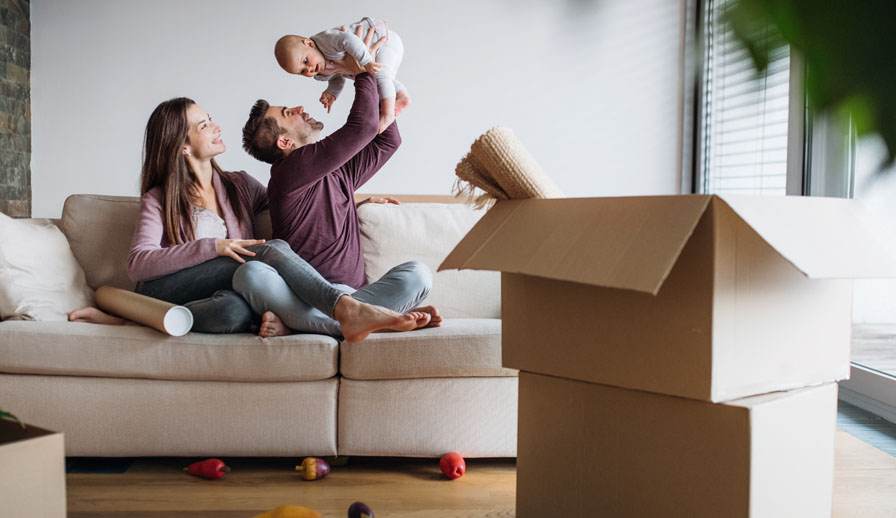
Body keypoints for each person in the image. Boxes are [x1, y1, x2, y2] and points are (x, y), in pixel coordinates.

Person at [69, 96, 431, 342]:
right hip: (166, 289)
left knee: (234, 310)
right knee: (267, 252)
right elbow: (137, 265)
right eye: (203, 125)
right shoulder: (159, 199)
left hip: (225, 294)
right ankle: (347, 309)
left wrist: (354, 203)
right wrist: (214, 247)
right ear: (182, 145)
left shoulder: (240, 184)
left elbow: (294, 202)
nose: (215, 127)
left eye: (210, 120)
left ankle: (356, 317)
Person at [242, 26, 442, 333]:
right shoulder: (288, 174)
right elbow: (363, 128)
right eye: (287, 113)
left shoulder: (338, 173)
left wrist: (371, 70)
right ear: (284, 144)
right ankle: (368, 319)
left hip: (359, 296)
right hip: (310, 299)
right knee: (252, 274)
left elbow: (387, 141)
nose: (298, 108)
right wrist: (360, 69)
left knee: (419, 275)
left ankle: (334, 322)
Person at [274, 16, 409, 134]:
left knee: (381, 76)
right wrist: (332, 92)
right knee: (383, 80)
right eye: (302, 71)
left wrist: (366, 61)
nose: (308, 69)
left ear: (309, 44)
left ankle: (387, 114)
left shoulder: (326, 42)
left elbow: (349, 40)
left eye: (305, 61)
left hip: (382, 41)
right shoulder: (319, 73)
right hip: (373, 56)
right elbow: (337, 77)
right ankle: (402, 96)